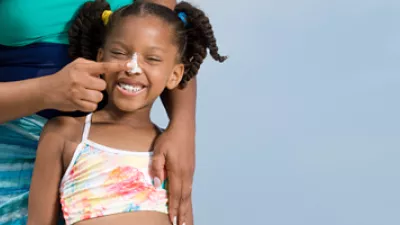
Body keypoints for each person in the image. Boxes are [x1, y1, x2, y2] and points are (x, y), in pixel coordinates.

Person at [27, 1, 226, 225]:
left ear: (175, 75)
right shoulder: (65, 135)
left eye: (152, 59)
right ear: (100, 57)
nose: (132, 67)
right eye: (120, 53)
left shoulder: (169, 151)